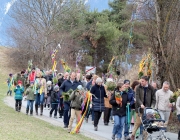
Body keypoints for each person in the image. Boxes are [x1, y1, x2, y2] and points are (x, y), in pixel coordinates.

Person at [131, 76, 156, 140]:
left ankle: (145, 138)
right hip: (139, 108)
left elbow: (154, 99)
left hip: (148, 109)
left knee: (146, 124)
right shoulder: (138, 87)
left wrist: (152, 107)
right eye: (140, 81)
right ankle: (133, 135)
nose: (141, 82)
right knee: (138, 122)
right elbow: (137, 97)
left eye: (142, 81)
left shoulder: (151, 88)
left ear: (146, 81)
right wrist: (141, 104)